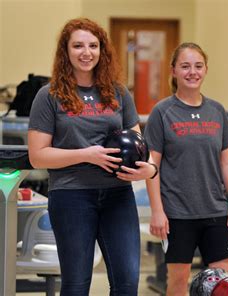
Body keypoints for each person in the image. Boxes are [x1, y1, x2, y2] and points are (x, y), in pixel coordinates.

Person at [28, 18, 157, 295]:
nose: (86, 52)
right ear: (66, 51)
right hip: (72, 196)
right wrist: (87, 154)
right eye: (78, 46)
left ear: (102, 50)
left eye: (93, 45)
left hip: (118, 196)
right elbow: (38, 156)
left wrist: (150, 169)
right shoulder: (48, 95)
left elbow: (138, 145)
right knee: (76, 285)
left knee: (126, 284)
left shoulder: (119, 93)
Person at [144, 42, 228, 296]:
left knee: (224, 284)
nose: (192, 72)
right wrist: (157, 211)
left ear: (206, 69)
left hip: (216, 210)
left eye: (198, 66)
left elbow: (226, 161)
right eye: (185, 66)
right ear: (174, 70)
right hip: (177, 213)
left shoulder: (216, 110)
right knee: (178, 282)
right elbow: (151, 165)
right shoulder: (162, 112)